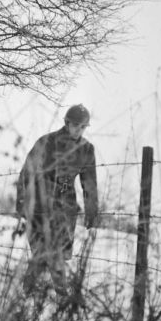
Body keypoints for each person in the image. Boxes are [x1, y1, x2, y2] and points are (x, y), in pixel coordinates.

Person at [16, 104, 98, 297]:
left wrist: (91, 212)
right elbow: (26, 173)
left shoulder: (86, 149)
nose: (79, 130)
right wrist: (21, 203)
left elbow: (90, 183)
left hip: (66, 209)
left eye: (83, 127)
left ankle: (30, 292)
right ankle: (61, 294)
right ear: (67, 123)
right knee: (46, 252)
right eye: (76, 125)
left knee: (54, 253)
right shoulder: (46, 142)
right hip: (39, 207)